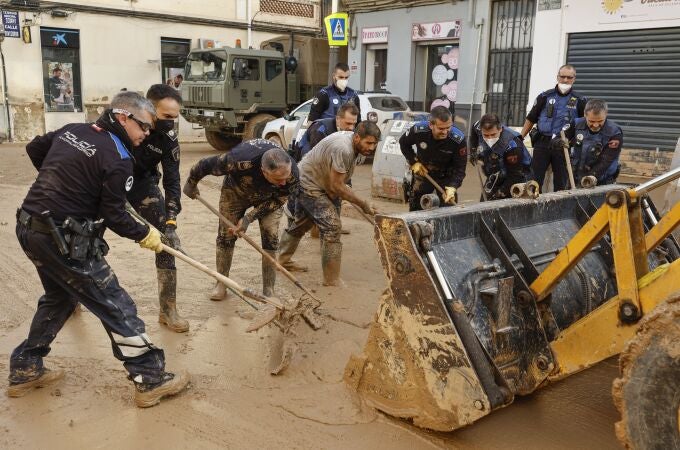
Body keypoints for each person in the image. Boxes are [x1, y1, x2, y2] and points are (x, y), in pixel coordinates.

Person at [8, 91, 189, 406]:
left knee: (59, 298)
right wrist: (147, 234)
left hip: (29, 226)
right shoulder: (119, 159)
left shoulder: (74, 130)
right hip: (63, 240)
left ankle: (25, 368)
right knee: (115, 304)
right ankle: (149, 378)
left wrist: (64, 181)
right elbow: (116, 216)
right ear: (122, 117)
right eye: (144, 127)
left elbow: (36, 148)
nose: (147, 134)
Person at [183, 140, 298, 301]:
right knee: (225, 236)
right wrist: (192, 182)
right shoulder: (238, 160)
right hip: (236, 192)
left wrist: (248, 219)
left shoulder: (291, 173)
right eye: (279, 179)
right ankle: (221, 283)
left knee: (271, 236)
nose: (284, 182)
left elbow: (279, 200)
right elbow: (205, 165)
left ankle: (269, 289)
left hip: (270, 198)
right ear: (264, 172)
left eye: (286, 177)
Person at [277, 122, 381, 286]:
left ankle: (281, 260)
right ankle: (332, 280)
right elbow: (336, 186)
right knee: (332, 226)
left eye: (375, 143)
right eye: (368, 143)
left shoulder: (354, 147)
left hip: (319, 181)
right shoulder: (343, 149)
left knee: (302, 224)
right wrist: (363, 204)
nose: (372, 148)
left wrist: (344, 193)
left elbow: (338, 183)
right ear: (357, 137)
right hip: (307, 184)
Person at [127, 84, 188, 333]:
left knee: (166, 240)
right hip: (107, 180)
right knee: (85, 239)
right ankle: (70, 298)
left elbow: (172, 181)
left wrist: (171, 221)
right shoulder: (125, 125)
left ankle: (167, 310)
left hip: (142, 183)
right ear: (149, 109)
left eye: (175, 118)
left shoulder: (168, 140)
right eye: (166, 117)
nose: (171, 123)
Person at [520, 64, 587, 192]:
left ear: (574, 79)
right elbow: (531, 118)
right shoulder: (544, 96)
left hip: (563, 145)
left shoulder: (580, 100)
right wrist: (520, 137)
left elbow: (583, 124)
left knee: (561, 182)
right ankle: (533, 206)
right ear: (557, 77)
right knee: (534, 179)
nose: (565, 80)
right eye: (562, 77)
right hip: (542, 142)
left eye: (569, 77)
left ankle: (559, 209)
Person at [399, 106, 467, 211]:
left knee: (448, 212)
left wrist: (453, 186)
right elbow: (403, 143)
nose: (445, 132)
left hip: (446, 177)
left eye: (448, 127)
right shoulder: (418, 131)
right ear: (431, 125)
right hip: (424, 173)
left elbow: (460, 169)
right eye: (441, 128)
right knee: (417, 208)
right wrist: (414, 162)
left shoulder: (458, 140)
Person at [469, 114, 532, 200]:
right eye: (486, 135)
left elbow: (515, 176)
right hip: (496, 171)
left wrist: (498, 194)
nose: (490, 138)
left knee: (502, 205)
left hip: (518, 176)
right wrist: (473, 150)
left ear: (500, 129)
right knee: (484, 202)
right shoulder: (479, 127)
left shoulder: (512, 145)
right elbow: (474, 127)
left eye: (493, 134)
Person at [562, 99, 623, 187]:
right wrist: (558, 142)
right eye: (591, 121)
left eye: (600, 121)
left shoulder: (615, 132)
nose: (595, 125)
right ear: (584, 114)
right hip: (575, 179)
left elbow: (606, 160)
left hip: (602, 181)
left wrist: (590, 177)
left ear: (606, 114)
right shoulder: (576, 124)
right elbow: (559, 138)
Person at [294, 103, 359, 161]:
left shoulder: (349, 132)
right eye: (348, 123)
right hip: (306, 160)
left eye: (354, 124)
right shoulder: (320, 129)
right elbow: (316, 156)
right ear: (338, 119)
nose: (352, 128)